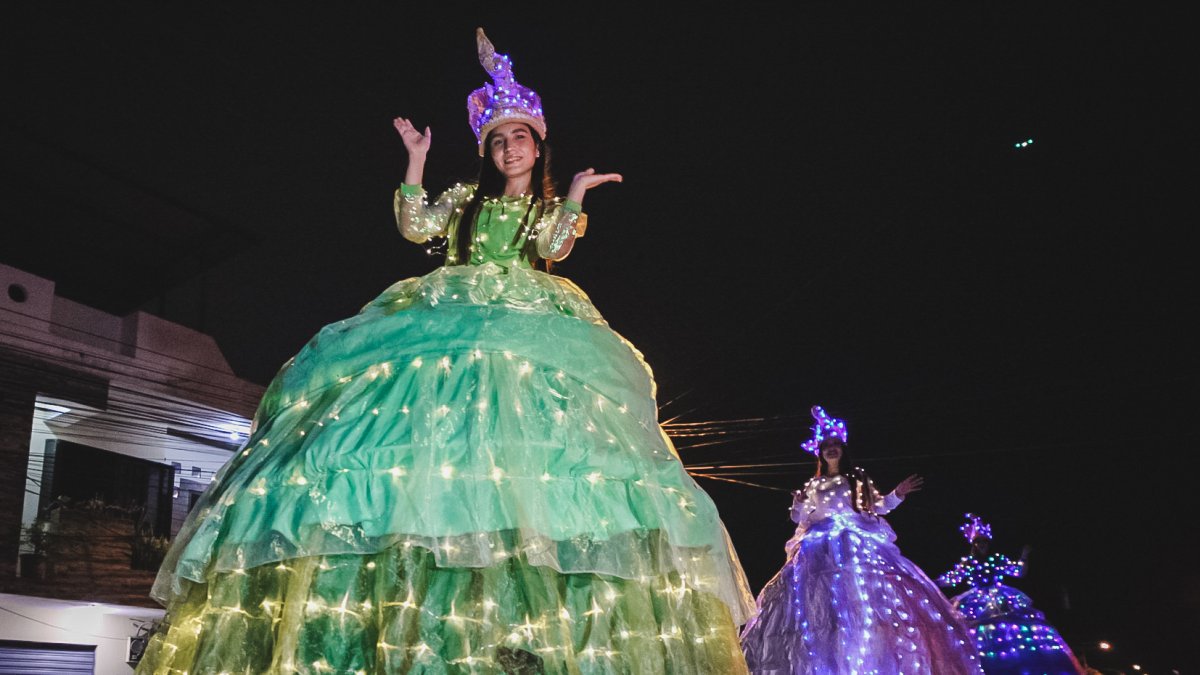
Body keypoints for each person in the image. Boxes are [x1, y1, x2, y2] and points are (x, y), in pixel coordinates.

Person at [135, 28, 754, 674]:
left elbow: (559, 242)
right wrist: (415, 160)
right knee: (409, 450)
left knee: (537, 466)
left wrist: (572, 194)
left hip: (529, 323)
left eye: (519, 137)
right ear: (485, 149)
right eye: (497, 139)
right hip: (446, 318)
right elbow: (416, 224)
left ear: (536, 144)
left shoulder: (539, 209)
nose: (508, 148)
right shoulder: (464, 201)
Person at [739, 406, 984, 675]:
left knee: (865, 601)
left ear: (843, 449)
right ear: (820, 451)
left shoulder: (857, 478)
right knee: (821, 607)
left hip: (856, 543)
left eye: (836, 444)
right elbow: (800, 517)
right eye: (826, 444)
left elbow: (878, 506)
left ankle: (869, 660)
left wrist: (898, 493)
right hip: (819, 549)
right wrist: (796, 505)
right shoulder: (813, 485)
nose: (832, 448)